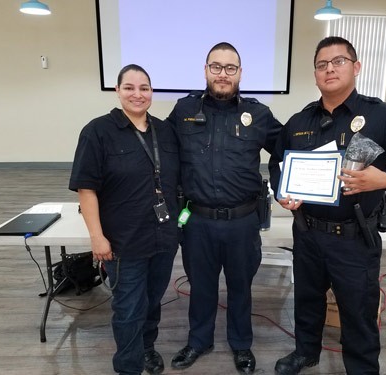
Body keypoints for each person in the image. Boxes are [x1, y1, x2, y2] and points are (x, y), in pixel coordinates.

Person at [269, 36, 386, 375]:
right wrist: (281, 192)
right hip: (308, 232)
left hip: (355, 237)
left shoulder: (381, 116)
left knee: (358, 309)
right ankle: (305, 352)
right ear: (315, 74)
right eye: (321, 64)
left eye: (338, 61)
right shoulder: (300, 121)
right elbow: (276, 162)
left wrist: (384, 179)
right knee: (308, 301)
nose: (329, 69)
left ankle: (361, 367)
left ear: (356, 67)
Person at [166, 42, 283, 374]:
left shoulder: (258, 114)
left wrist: (286, 182)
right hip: (197, 220)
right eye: (215, 67)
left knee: (241, 287)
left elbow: (287, 150)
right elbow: (161, 150)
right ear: (205, 70)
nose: (222, 74)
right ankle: (199, 341)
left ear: (240, 73)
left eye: (230, 68)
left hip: (242, 221)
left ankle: (241, 345)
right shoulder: (183, 110)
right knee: (200, 286)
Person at [69, 64, 180, 375]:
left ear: (151, 93)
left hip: (163, 237)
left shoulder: (165, 131)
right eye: (129, 87)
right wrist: (96, 237)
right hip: (122, 241)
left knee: (153, 300)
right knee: (128, 308)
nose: (137, 94)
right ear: (117, 91)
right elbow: (86, 188)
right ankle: (128, 366)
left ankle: (147, 348)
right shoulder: (97, 132)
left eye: (144, 88)